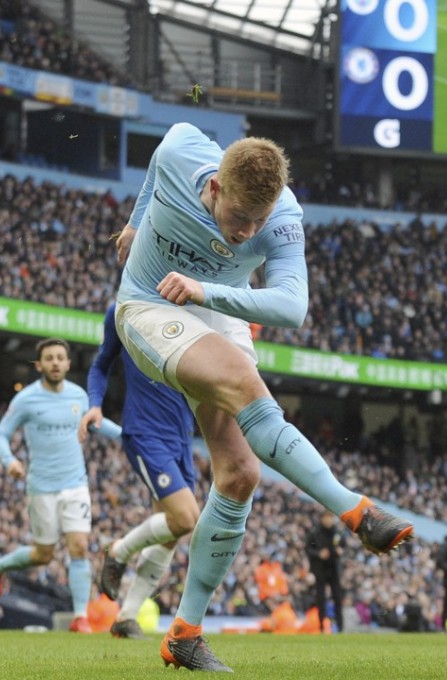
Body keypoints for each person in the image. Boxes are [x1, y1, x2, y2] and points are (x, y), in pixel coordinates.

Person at [113, 122, 413, 671]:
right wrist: (135, 225)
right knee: (247, 386)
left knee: (239, 475)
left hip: (214, 305)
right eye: (239, 218)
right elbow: (157, 161)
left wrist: (208, 290)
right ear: (215, 190)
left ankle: (184, 632)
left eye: (260, 219)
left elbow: (292, 308)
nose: (249, 231)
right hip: (148, 305)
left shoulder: (283, 217)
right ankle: (354, 509)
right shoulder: (183, 149)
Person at [78, 303, 199, 641]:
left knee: (174, 531)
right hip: (146, 432)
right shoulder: (122, 310)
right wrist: (94, 404)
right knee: (188, 518)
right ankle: (118, 550)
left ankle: (126, 617)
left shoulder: (192, 307)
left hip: (182, 437)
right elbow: (101, 364)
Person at [0, 338, 122, 632]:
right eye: (49, 358)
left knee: (79, 546)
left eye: (60, 358)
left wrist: (128, 436)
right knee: (43, 554)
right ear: (39, 364)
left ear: (68, 363)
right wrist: (10, 461)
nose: (55, 362)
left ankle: (80, 617)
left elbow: (96, 423)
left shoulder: (79, 396)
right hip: (41, 487)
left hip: (75, 483)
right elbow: (2, 433)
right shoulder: (26, 399)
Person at [304, 510, 345, 632]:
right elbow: (307, 549)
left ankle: (340, 627)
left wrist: (340, 551)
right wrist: (319, 554)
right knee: (320, 598)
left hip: (334, 569)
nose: (328, 520)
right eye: (326, 518)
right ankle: (321, 626)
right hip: (320, 569)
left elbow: (344, 546)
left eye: (330, 517)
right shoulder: (315, 533)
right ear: (321, 519)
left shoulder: (337, 532)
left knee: (337, 597)